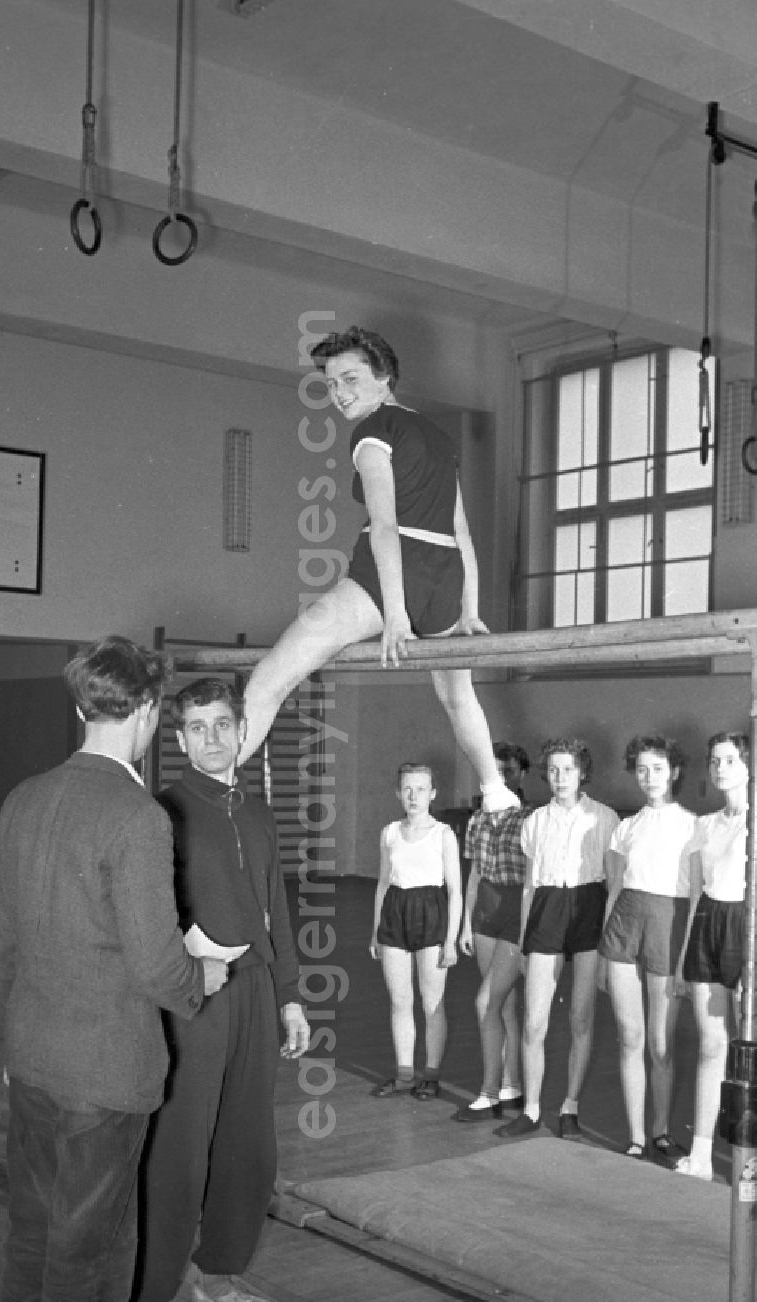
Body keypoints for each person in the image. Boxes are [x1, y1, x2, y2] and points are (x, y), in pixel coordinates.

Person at [0, 636, 227, 1302]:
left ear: (80, 708)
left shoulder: (24, 798)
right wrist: (206, 973)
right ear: (151, 715)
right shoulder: (136, 817)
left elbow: (0, 946)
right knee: (91, 1253)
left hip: (35, 1058)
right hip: (103, 1076)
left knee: (32, 1233)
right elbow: (161, 966)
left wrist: (24, 1034)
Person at [237, 327, 518, 813]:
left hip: (394, 574)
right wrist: (468, 610)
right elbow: (461, 532)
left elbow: (385, 527)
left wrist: (396, 615)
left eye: (351, 379)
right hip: (446, 577)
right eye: (331, 385)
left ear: (385, 377)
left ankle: (215, 786)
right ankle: (495, 789)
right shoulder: (437, 435)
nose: (341, 394)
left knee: (269, 679)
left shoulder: (372, 432)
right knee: (457, 695)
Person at [126, 678, 310, 1302]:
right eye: (196, 727)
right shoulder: (164, 811)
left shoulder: (259, 814)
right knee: (179, 1150)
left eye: (221, 724)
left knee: (249, 1145)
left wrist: (289, 996)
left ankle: (220, 1274)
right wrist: (184, 955)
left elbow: (277, 910)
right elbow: (145, 914)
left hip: (255, 992)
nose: (210, 737)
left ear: (241, 731)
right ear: (177, 739)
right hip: (193, 997)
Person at [676, 732, 757, 1181]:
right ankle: (701, 1157)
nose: (721, 768)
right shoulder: (704, 825)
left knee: (744, 1052)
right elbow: (697, 898)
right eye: (715, 761)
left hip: (747, 928)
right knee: (710, 1045)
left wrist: (756, 961)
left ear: (749, 766)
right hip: (708, 925)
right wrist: (686, 954)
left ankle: (745, 1160)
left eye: (730, 760)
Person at [497, 738, 619, 1141]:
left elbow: (614, 885)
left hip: (588, 910)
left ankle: (570, 1106)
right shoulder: (534, 822)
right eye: (552, 770)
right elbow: (530, 887)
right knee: (534, 1021)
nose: (560, 777)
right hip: (546, 913)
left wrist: (605, 942)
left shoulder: (605, 818)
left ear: (582, 772)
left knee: (581, 1018)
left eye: (567, 769)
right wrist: (522, 941)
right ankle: (531, 1109)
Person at [599, 736, 696, 1160]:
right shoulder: (626, 827)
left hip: (668, 927)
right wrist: (605, 948)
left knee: (660, 1042)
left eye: (657, 768)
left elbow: (695, 898)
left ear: (673, 772)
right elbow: (613, 889)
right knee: (629, 1036)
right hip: (623, 925)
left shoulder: (693, 825)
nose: (648, 777)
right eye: (640, 769)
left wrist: (686, 958)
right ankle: (637, 1136)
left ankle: (661, 1130)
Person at [369, 762, 462, 1100]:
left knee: (432, 1003)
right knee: (400, 1000)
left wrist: (450, 939)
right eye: (407, 788)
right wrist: (375, 930)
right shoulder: (390, 832)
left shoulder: (444, 834)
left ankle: (432, 1075)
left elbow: (455, 890)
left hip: (432, 916)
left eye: (420, 789)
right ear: (398, 792)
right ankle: (405, 1074)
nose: (413, 795)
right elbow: (382, 883)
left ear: (433, 793)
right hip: (395, 915)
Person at [455, 743, 532, 1122]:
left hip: (516, 915)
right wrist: (466, 924)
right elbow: (474, 875)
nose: (502, 778)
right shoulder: (477, 820)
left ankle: (488, 1091)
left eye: (510, 771)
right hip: (485, 915)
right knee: (502, 1006)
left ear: (522, 776)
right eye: (495, 771)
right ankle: (510, 1087)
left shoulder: (531, 819)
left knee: (486, 1002)